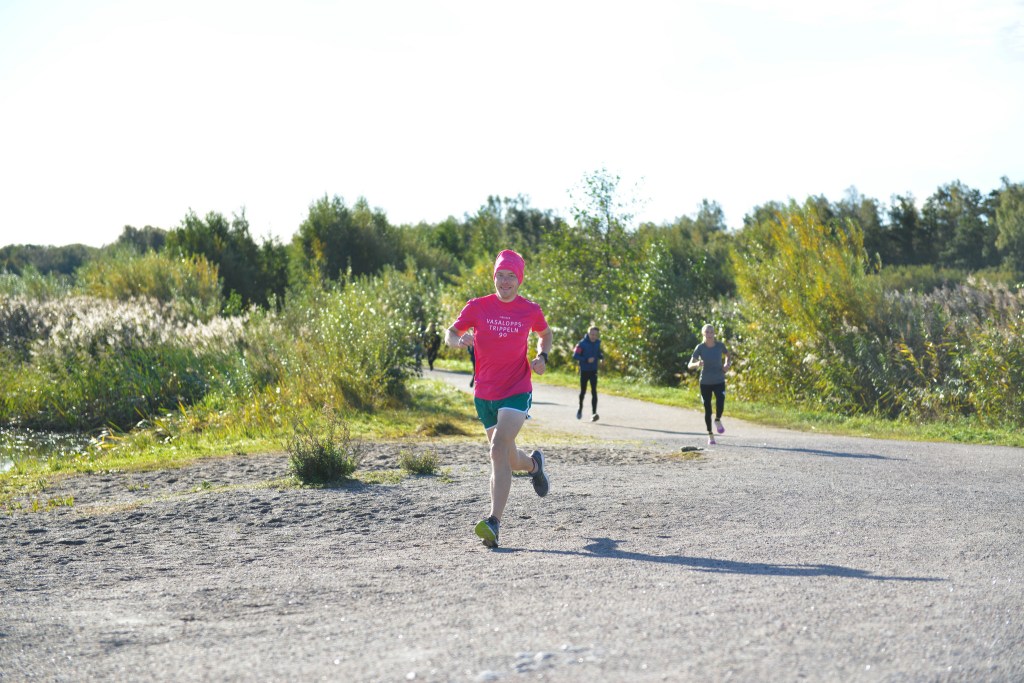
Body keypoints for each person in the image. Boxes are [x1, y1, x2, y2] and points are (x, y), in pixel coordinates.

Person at [445, 249, 553, 548]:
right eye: (500, 276)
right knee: (509, 457)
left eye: (511, 276)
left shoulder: (529, 309)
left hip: (517, 388)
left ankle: (493, 522)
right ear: (494, 277)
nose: (505, 282)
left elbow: (545, 334)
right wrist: (457, 341)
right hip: (485, 393)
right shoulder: (477, 307)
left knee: (496, 449)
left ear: (519, 279)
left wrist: (542, 356)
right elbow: (451, 332)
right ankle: (534, 465)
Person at [687, 323, 730, 445]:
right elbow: (690, 365)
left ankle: (717, 420)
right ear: (703, 334)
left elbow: (728, 355)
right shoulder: (700, 348)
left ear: (714, 333)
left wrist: (727, 364)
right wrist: (697, 364)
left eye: (711, 332)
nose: (709, 334)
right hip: (705, 382)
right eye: (707, 332)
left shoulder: (720, 346)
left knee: (720, 401)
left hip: (719, 380)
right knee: (708, 409)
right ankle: (710, 434)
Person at [573, 326, 603, 421]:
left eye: (595, 335)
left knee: (594, 391)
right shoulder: (582, 344)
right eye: (592, 334)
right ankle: (580, 409)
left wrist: (601, 358)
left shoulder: (598, 343)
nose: (593, 336)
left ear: (597, 335)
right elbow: (575, 355)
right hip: (584, 371)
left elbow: (598, 353)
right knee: (583, 391)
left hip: (593, 370)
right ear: (588, 334)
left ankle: (594, 413)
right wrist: (586, 360)